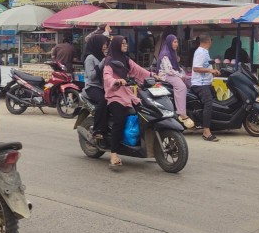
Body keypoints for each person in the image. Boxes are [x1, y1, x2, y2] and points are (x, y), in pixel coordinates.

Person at [102, 36, 152, 169]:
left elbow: (138, 70)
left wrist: (153, 76)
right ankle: (113, 154)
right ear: (117, 45)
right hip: (114, 95)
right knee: (120, 119)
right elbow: (107, 77)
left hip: (128, 94)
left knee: (145, 112)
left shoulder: (125, 59)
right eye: (123, 43)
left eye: (126, 43)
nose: (125, 45)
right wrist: (116, 81)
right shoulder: (109, 60)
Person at [156, 34, 195, 129]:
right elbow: (169, 70)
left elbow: (175, 67)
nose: (176, 44)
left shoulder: (172, 53)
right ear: (169, 42)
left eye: (177, 42)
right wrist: (180, 75)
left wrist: (182, 73)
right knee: (181, 87)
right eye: (174, 42)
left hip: (172, 74)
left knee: (191, 80)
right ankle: (181, 113)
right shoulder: (165, 54)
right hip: (165, 76)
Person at [190, 33, 220, 141]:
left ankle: (214, 125)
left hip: (206, 83)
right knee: (208, 103)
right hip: (200, 84)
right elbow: (196, 68)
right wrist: (211, 70)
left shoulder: (205, 52)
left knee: (216, 101)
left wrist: (212, 71)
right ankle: (206, 132)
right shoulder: (200, 52)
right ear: (209, 41)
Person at [83, 34, 109, 139]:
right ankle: (97, 130)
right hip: (92, 87)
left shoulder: (102, 56)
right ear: (97, 44)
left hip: (103, 86)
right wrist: (102, 63)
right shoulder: (90, 58)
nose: (105, 46)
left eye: (106, 44)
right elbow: (91, 76)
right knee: (103, 101)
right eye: (103, 44)